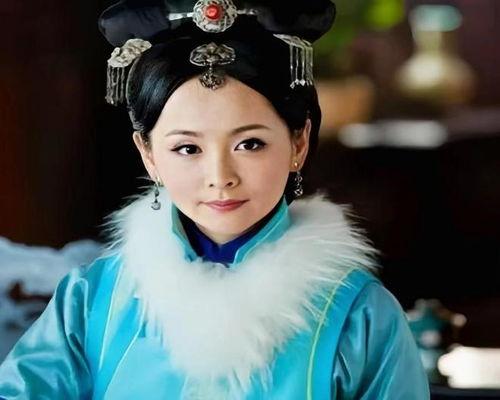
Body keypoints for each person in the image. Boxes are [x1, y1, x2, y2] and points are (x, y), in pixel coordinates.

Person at [0, 0, 430, 398]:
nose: (220, 177)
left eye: (250, 144)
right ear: (148, 155)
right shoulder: (93, 298)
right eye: (188, 148)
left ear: (298, 142)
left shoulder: (360, 316)